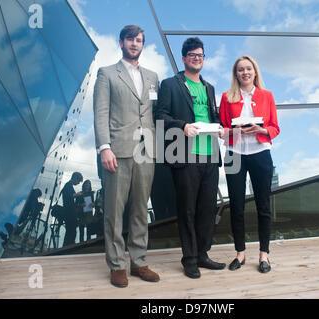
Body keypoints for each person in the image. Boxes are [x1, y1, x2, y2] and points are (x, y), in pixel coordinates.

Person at [93, 25, 160, 288]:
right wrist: (104, 147)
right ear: (121, 42)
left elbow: (155, 113)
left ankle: (139, 261)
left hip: (146, 151)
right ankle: (117, 265)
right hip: (117, 151)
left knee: (140, 210)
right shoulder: (107, 73)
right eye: (130, 39)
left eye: (139, 40)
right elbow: (100, 113)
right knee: (114, 210)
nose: (135, 44)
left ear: (143, 44)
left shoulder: (153, 76)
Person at [155, 37, 226, 279]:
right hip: (185, 154)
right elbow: (160, 115)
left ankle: (203, 254)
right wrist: (182, 125)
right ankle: (189, 259)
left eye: (201, 55)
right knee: (187, 210)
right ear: (184, 58)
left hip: (210, 154)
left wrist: (220, 128)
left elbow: (213, 116)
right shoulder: (170, 84)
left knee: (207, 209)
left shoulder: (210, 88)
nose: (197, 59)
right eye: (192, 55)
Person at [219, 55, 280, 273]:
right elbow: (223, 128)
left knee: (263, 206)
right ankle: (240, 254)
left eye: (248, 69)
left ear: (255, 72)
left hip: (260, 153)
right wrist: (234, 131)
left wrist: (260, 130)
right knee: (236, 206)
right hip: (234, 153)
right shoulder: (227, 97)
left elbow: (274, 127)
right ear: (236, 74)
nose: (245, 72)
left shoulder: (267, 96)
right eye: (240, 69)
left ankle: (264, 255)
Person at [62, 172, 83, 246]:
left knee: (71, 231)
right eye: (78, 181)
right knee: (71, 231)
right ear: (75, 178)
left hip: (69, 212)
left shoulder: (69, 185)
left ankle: (67, 246)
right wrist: (77, 194)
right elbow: (69, 196)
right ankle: (67, 247)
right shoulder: (68, 185)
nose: (78, 183)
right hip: (69, 213)